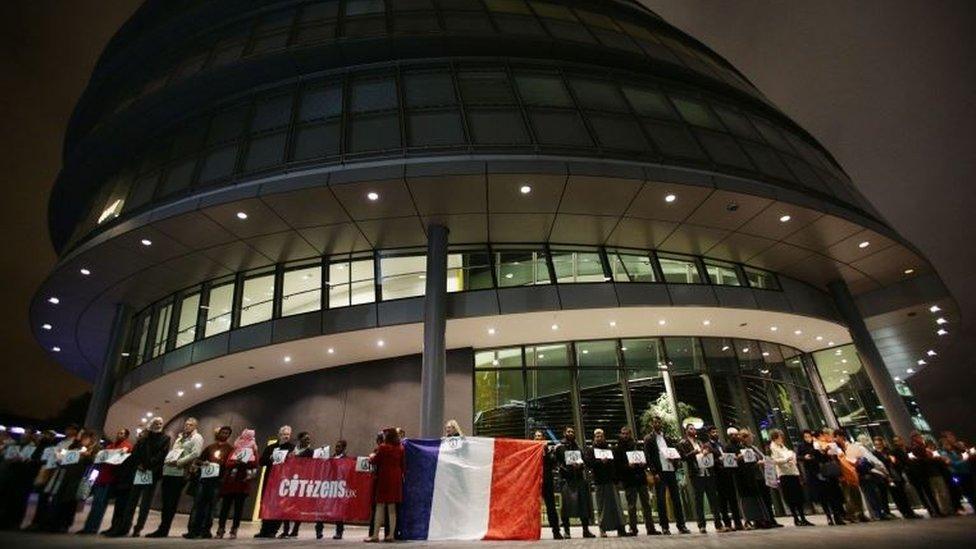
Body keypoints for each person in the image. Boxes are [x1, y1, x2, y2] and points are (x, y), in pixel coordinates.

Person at [103, 417, 171, 537]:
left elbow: (161, 455)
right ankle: (125, 526)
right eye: (156, 423)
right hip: (139, 472)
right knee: (132, 501)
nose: (158, 424)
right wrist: (139, 465)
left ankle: (138, 528)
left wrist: (148, 466)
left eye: (160, 423)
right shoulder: (144, 438)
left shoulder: (165, 438)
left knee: (145, 503)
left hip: (152, 473)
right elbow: (136, 453)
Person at [78, 427, 133, 534]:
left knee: (100, 504)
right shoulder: (110, 446)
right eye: (119, 432)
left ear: (126, 436)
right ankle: (89, 527)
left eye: (122, 433)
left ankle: (92, 528)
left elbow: (121, 459)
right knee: (96, 503)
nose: (119, 435)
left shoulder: (126, 446)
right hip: (102, 477)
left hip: (111, 479)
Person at [44, 429, 101, 532]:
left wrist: (87, 456)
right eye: (82, 438)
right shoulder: (76, 446)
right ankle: (54, 522)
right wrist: (77, 441)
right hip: (66, 474)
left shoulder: (92, 450)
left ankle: (64, 524)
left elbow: (93, 463)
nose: (83, 440)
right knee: (60, 498)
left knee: (70, 501)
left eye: (85, 438)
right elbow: (67, 453)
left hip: (78, 477)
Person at [26, 423, 79, 530]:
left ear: (75, 431)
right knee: (45, 497)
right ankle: (40, 522)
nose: (66, 431)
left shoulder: (75, 443)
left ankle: (53, 523)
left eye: (69, 429)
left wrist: (59, 455)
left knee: (56, 499)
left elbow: (69, 456)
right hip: (51, 470)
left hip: (61, 473)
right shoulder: (61, 441)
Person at [184, 425, 233, 539]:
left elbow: (229, 466)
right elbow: (198, 460)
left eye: (227, 433)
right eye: (223, 432)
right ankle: (193, 530)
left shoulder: (230, 450)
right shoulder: (210, 447)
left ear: (229, 435)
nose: (224, 435)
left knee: (211, 507)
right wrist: (203, 463)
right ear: (219, 433)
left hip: (217, 482)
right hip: (204, 480)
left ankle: (206, 530)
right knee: (198, 505)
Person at [643, 416, 689, 535]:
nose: (657, 424)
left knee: (676, 499)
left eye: (659, 422)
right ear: (651, 424)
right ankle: (664, 526)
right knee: (661, 500)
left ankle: (681, 525)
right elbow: (648, 457)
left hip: (671, 470)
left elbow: (674, 452)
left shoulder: (667, 438)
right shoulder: (648, 439)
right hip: (660, 472)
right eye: (655, 422)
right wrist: (654, 472)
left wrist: (675, 461)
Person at [676, 424, 724, 533]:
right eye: (690, 429)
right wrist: (695, 452)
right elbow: (683, 457)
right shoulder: (683, 443)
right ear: (686, 431)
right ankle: (702, 525)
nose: (693, 430)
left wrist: (706, 451)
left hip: (707, 472)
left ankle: (718, 524)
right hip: (696, 474)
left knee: (713, 499)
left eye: (694, 428)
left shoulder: (700, 442)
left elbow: (708, 451)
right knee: (699, 500)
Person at [0, 430, 51, 530]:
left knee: (20, 500)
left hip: (25, 477)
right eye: (25, 433)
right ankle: (5, 521)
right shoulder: (16, 445)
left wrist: (26, 461)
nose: (25, 435)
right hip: (13, 475)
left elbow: (37, 461)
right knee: (9, 499)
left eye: (28, 433)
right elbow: (8, 458)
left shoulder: (35, 447)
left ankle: (15, 523)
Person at [612, 426, 658, 536]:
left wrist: (643, 464)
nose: (625, 435)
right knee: (631, 505)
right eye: (623, 433)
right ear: (620, 434)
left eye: (627, 433)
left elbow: (645, 459)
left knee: (646, 504)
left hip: (641, 479)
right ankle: (633, 528)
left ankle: (650, 528)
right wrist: (627, 466)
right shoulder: (618, 449)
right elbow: (617, 466)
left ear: (630, 434)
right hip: (629, 480)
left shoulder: (636, 446)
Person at [216, 428, 258, 539]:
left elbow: (255, 464)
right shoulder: (235, 450)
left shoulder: (253, 450)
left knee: (238, 509)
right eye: (244, 437)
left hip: (243, 484)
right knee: (225, 508)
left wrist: (245, 462)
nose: (246, 439)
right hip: (230, 483)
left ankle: (234, 529)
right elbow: (228, 464)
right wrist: (237, 462)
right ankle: (220, 529)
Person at [254, 425, 295, 538]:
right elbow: (261, 462)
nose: (286, 436)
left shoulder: (292, 448)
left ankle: (273, 530)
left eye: (288, 434)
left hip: (282, 481)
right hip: (269, 479)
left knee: (278, 505)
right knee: (266, 504)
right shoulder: (271, 447)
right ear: (279, 435)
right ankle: (264, 530)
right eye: (284, 434)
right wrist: (270, 458)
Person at [729, 429, 775, 529]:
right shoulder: (740, 448)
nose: (748, 439)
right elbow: (738, 462)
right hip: (749, 476)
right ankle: (757, 520)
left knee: (763, 498)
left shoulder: (752, 448)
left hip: (759, 475)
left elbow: (761, 457)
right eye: (744, 436)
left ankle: (767, 519)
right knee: (753, 499)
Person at [555, 426, 595, 538]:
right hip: (566, 480)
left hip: (579, 479)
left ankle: (585, 530)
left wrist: (580, 465)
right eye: (568, 431)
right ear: (564, 433)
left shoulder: (578, 447)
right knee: (566, 507)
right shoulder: (559, 447)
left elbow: (585, 460)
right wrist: (566, 468)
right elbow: (556, 462)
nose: (571, 433)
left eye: (572, 431)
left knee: (583, 506)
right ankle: (567, 531)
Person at [365, 428, 404, 542]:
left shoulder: (383, 447)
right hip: (396, 479)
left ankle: (375, 535)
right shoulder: (401, 448)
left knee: (380, 506)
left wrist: (371, 456)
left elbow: (375, 460)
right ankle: (391, 535)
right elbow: (403, 464)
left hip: (384, 478)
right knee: (392, 508)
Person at [586, 429, 626, 537]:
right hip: (599, 482)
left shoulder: (610, 449)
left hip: (611, 481)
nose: (599, 438)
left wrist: (616, 479)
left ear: (604, 437)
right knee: (601, 506)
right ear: (594, 438)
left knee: (616, 506)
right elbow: (589, 464)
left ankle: (620, 528)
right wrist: (600, 462)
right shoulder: (591, 450)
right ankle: (602, 529)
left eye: (601, 436)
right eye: (597, 436)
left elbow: (615, 464)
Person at [769, 429, 813, 526]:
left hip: (792, 472)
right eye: (780, 437)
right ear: (775, 438)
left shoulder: (783, 446)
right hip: (785, 474)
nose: (782, 439)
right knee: (791, 497)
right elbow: (774, 461)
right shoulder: (773, 448)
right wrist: (786, 459)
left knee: (798, 496)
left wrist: (791, 457)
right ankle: (796, 518)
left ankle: (802, 517)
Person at [872, 436, 920, 519]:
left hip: (896, 475)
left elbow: (896, 462)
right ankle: (904, 512)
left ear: (883, 443)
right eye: (876, 444)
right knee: (895, 496)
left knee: (902, 494)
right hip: (886, 477)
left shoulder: (889, 451)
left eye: (879, 444)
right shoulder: (874, 454)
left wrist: (895, 463)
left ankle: (909, 511)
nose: (878, 446)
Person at [849, 434, 891, 520]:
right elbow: (873, 460)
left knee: (870, 495)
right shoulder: (861, 449)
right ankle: (879, 513)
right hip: (867, 475)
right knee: (874, 494)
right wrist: (884, 471)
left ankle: (876, 513)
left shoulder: (852, 450)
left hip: (862, 476)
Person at [708, 426, 743, 531]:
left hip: (727, 474)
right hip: (718, 475)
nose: (715, 434)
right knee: (722, 501)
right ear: (709, 434)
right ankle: (727, 523)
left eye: (716, 432)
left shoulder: (722, 445)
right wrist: (719, 460)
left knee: (733, 499)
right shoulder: (708, 446)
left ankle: (738, 523)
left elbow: (728, 457)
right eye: (713, 432)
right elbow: (710, 460)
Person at [284, 431, 317, 538]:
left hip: (302, 481)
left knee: (299, 506)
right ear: (300, 439)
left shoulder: (310, 452)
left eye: (309, 439)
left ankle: (295, 530)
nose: (308, 440)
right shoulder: (292, 450)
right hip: (290, 479)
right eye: (306, 438)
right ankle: (285, 530)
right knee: (286, 505)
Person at [832, 429, 869, 523]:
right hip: (844, 474)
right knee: (848, 495)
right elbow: (836, 462)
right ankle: (852, 515)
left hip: (852, 473)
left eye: (840, 437)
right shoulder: (834, 448)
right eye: (837, 437)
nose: (838, 439)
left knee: (856, 494)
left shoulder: (848, 446)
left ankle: (860, 513)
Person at [902, 433, 941, 517]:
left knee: (929, 493)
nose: (921, 438)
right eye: (918, 437)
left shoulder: (918, 447)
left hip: (923, 472)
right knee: (929, 493)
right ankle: (935, 511)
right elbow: (918, 460)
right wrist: (930, 457)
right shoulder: (916, 448)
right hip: (922, 473)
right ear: (914, 438)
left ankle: (934, 510)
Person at [533, 430, 563, 539]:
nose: (537, 438)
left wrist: (546, 450)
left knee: (551, 507)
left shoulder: (549, 450)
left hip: (547, 482)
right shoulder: (530, 450)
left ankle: (556, 531)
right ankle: (532, 530)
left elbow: (553, 463)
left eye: (539, 436)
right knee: (533, 507)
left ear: (543, 438)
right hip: (534, 482)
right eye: (536, 436)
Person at [320, 439, 348, 540]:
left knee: (338, 510)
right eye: (336, 446)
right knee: (322, 508)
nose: (337, 448)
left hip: (338, 486)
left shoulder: (346, 459)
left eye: (339, 447)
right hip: (328, 485)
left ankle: (339, 531)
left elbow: (345, 472)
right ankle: (319, 530)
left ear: (344, 448)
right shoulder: (330, 458)